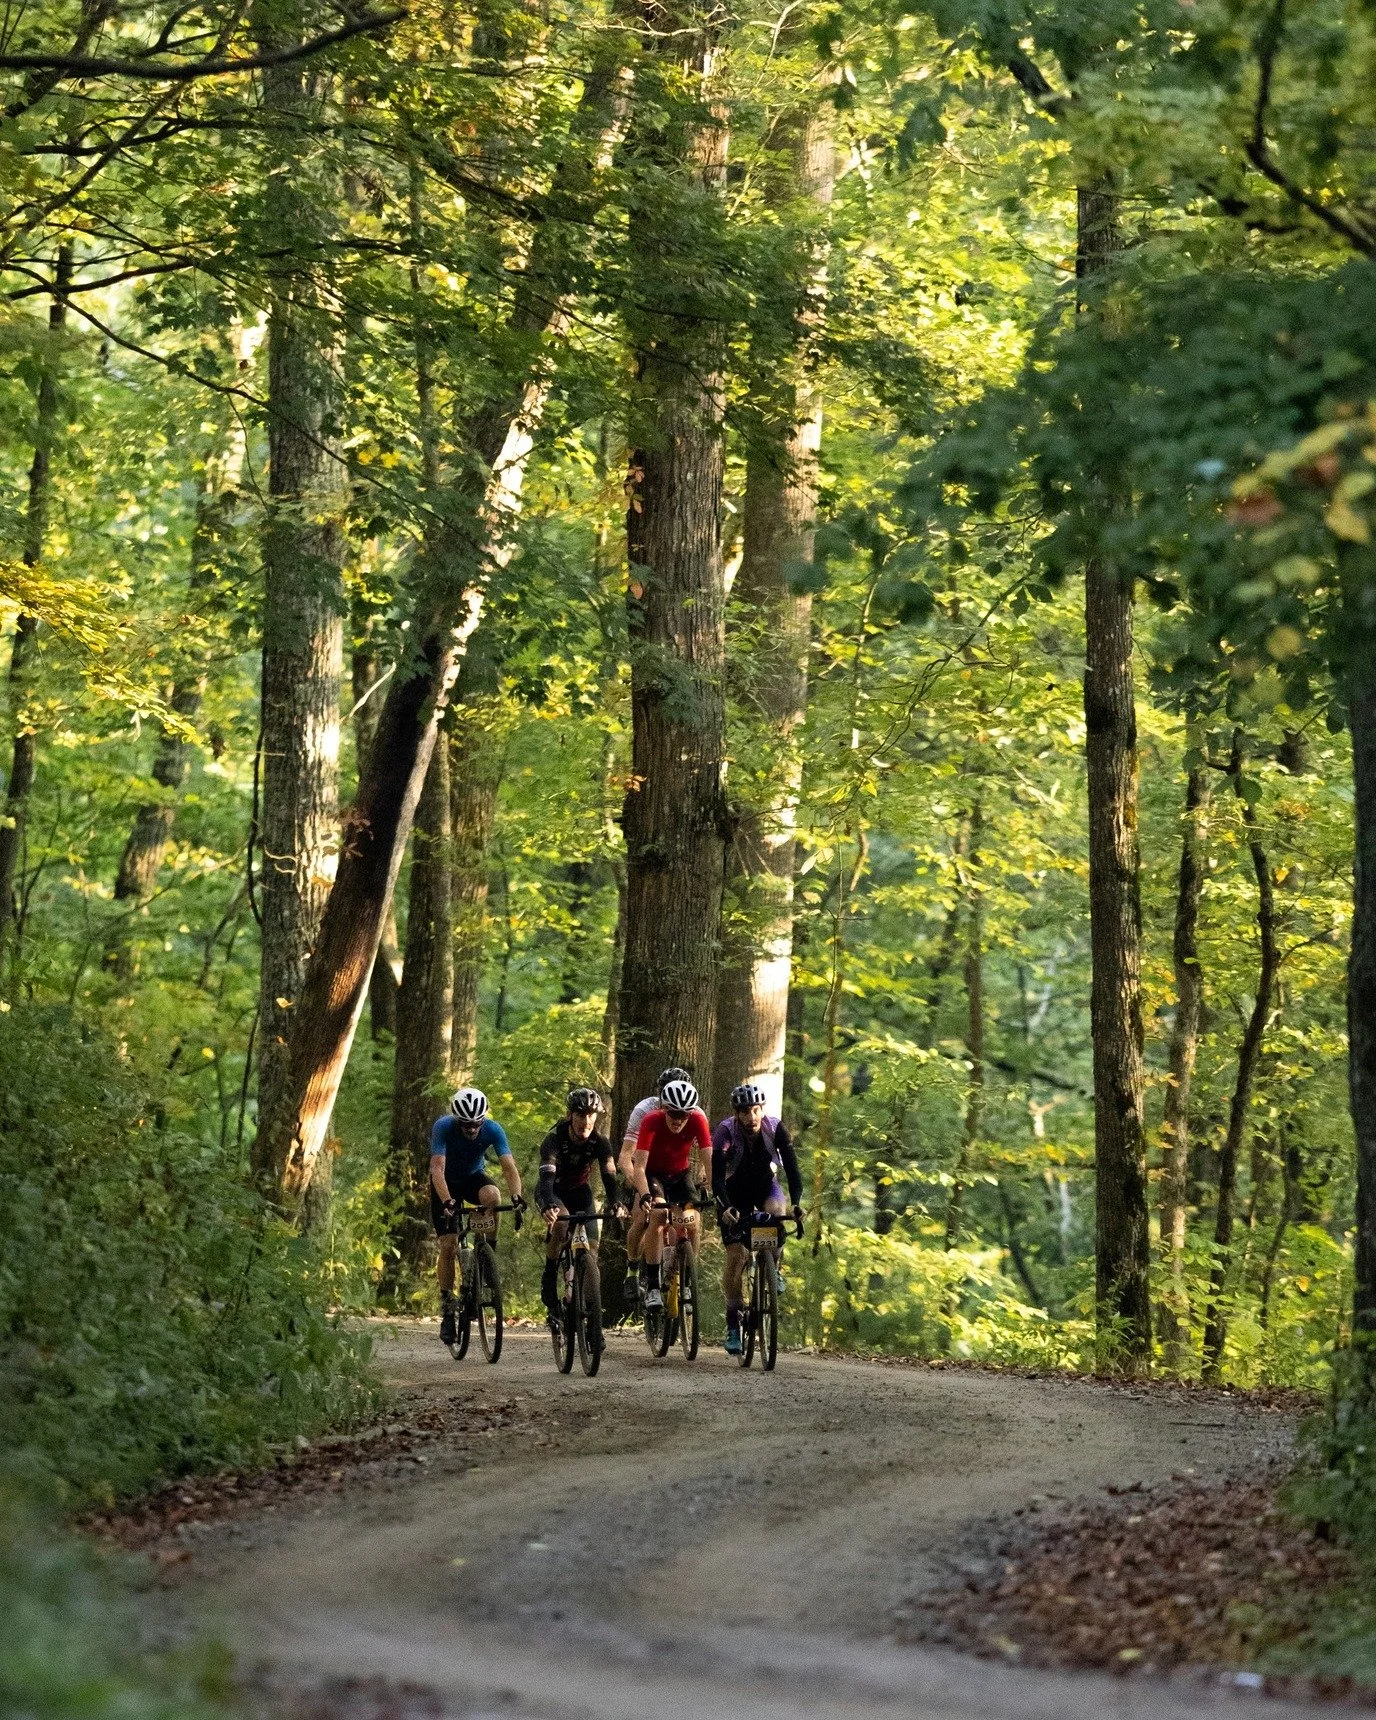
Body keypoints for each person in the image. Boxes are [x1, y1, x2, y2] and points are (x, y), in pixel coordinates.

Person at [712, 1081, 803, 1356]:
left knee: (777, 1214)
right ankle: (732, 1321)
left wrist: (797, 1203)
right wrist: (726, 1206)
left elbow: (793, 1170)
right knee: (737, 1255)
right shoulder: (725, 1131)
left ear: (762, 1109)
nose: (751, 1117)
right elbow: (717, 1177)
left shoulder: (774, 1127)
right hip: (733, 1192)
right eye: (744, 1112)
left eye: (755, 1110)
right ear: (736, 1113)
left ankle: (773, 1268)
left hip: (764, 1185)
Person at [429, 1086, 524, 1347]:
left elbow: (508, 1167)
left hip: (472, 1178)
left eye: (476, 1124)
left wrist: (517, 1197)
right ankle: (448, 1305)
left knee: (493, 1196)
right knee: (448, 1245)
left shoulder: (493, 1129)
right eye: (466, 1125)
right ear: (457, 1120)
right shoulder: (443, 1127)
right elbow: (437, 1168)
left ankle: (487, 1251)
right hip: (445, 1183)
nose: (472, 1130)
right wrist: (447, 1201)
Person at [535, 1088, 624, 1326]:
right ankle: (550, 1272)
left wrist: (616, 1202)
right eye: (581, 1114)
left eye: (591, 1115)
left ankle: (590, 1318)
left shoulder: (601, 1143)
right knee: (562, 1222)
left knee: (591, 1252)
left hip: (580, 1193)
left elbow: (610, 1179)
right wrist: (549, 1204)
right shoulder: (554, 1139)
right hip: (553, 1191)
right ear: (569, 1115)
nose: (586, 1121)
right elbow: (546, 1180)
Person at [627, 1077, 711, 1310]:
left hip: (680, 1174)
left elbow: (708, 1158)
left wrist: (715, 1189)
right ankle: (653, 1286)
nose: (678, 1120)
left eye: (684, 1115)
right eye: (673, 1114)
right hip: (654, 1175)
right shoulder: (651, 1120)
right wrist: (644, 1195)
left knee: (692, 1219)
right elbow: (640, 1167)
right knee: (659, 1216)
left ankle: (686, 1280)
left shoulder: (698, 1120)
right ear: (663, 1108)